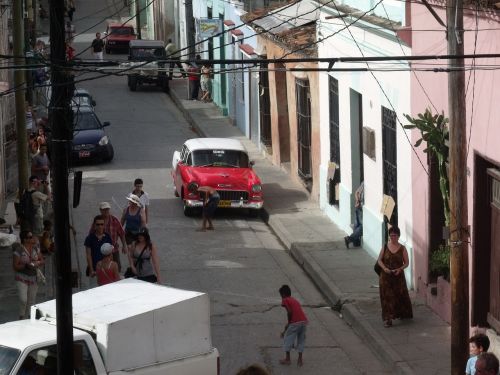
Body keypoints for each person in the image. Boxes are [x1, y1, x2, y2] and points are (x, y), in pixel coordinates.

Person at [376, 226, 413, 327]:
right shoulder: (385, 247)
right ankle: (388, 319)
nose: (392, 237)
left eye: (394, 235)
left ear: (398, 236)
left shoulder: (402, 249)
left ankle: (401, 313)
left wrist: (400, 269)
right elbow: (379, 260)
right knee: (387, 298)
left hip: (398, 277)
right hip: (386, 277)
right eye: (391, 235)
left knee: (399, 296)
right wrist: (384, 269)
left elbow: (407, 263)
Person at [12, 230, 45, 319]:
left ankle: (30, 318)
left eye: (32, 236)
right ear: (25, 239)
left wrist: (37, 263)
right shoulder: (19, 250)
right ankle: (21, 317)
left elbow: (42, 260)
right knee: (23, 300)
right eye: (30, 237)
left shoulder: (35, 248)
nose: (33, 238)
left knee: (31, 301)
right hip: (21, 278)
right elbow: (15, 266)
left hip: (34, 278)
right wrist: (26, 265)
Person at [91, 202, 127, 272]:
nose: (106, 211)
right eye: (104, 209)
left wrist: (124, 245)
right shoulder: (97, 221)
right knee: (102, 269)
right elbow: (91, 233)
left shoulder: (114, 220)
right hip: (101, 250)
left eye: (107, 209)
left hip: (114, 249)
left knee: (116, 268)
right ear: (100, 210)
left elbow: (121, 233)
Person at [278, 284, 307, 367]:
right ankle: (300, 360)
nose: (281, 298)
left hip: (295, 322)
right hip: (303, 321)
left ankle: (287, 359)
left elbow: (289, 312)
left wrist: (289, 322)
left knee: (287, 338)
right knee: (301, 339)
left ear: (283, 294)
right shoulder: (294, 300)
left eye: (281, 296)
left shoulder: (285, 300)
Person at [84, 215, 112, 281]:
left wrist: (110, 268)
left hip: (105, 270)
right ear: (94, 225)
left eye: (102, 224)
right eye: (98, 224)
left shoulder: (107, 237)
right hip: (94, 270)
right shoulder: (89, 238)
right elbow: (88, 255)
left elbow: (110, 254)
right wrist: (91, 270)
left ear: (104, 225)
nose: (100, 226)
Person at [344, 181, 364, 248]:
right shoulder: (366, 183)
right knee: (362, 227)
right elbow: (357, 193)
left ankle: (356, 242)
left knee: (357, 225)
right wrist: (359, 201)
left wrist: (357, 200)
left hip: (358, 207)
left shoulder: (363, 183)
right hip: (361, 209)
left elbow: (356, 193)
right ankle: (350, 239)